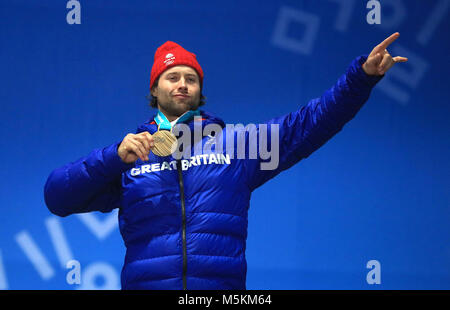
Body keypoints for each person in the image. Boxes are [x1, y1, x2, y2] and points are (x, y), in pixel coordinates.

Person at [44, 33, 407, 290]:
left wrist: (360, 80)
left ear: (200, 91)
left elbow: (310, 124)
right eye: (172, 77)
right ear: (154, 90)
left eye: (191, 78)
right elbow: (57, 197)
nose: (182, 84)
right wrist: (111, 159)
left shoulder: (237, 145)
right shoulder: (130, 154)